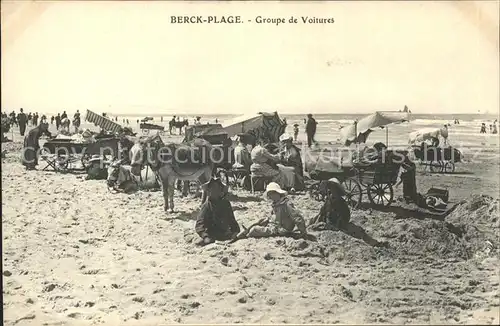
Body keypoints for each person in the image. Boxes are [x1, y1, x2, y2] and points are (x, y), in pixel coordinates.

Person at [309, 178, 388, 247]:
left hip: (338, 223)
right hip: (329, 221)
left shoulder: (340, 202)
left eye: (333, 190)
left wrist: (337, 223)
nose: (331, 192)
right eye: (329, 190)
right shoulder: (329, 200)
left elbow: (345, 215)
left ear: (337, 191)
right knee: (315, 220)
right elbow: (322, 212)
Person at [195, 178, 240, 245]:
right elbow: (199, 225)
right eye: (212, 189)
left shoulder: (226, 203)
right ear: (208, 191)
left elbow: (232, 220)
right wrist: (205, 236)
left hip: (224, 233)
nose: (214, 191)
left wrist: (235, 231)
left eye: (217, 188)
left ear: (220, 191)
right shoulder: (206, 205)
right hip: (211, 234)